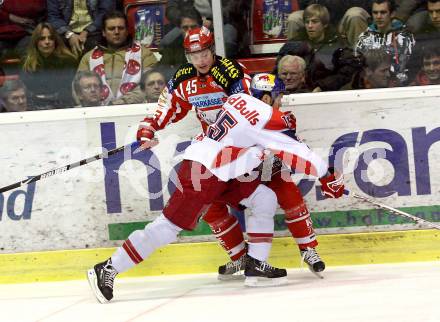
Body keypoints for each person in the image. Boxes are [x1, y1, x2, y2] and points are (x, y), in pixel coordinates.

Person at [87, 92, 345, 303]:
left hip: (221, 171)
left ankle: (256, 264)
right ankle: (108, 268)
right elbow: (300, 153)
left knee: (264, 197)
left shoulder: (241, 99)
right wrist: (327, 177)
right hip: (206, 173)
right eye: (278, 99)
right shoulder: (268, 123)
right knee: (167, 228)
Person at [136, 26, 253, 268]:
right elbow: (167, 108)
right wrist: (149, 128)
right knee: (207, 204)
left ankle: (265, 256)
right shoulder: (183, 77)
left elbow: (249, 109)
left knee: (262, 199)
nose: (200, 60)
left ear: (212, 50)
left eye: (204, 54)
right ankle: (241, 257)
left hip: (243, 147)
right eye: (193, 55)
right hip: (213, 151)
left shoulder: (231, 72)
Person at [76, 11, 158, 106]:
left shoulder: (144, 54)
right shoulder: (88, 58)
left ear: (127, 31)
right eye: (111, 29)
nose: (116, 32)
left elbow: (151, 86)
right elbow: (78, 89)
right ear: (103, 32)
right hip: (96, 112)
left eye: (121, 28)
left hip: (135, 110)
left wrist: (120, 103)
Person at [355, 0, 416, 85]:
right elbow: (361, 68)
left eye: (383, 12)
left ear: (392, 14)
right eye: (375, 13)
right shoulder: (364, 38)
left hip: (402, 86)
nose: (378, 16)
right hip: (373, 87)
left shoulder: (405, 36)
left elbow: (413, 64)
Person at [21, 22, 78, 110]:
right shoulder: (26, 63)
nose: (47, 42)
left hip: (62, 106)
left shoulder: (69, 61)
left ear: (55, 40)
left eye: (50, 38)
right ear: (36, 41)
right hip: (34, 107)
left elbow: (68, 91)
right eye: (42, 38)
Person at [286, 1, 371, 47]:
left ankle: (362, 62)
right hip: (318, 14)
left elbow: (367, 5)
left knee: (355, 14)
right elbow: (303, 3)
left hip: (345, 19)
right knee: (295, 19)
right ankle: (291, 63)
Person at [47, 0, 115, 58]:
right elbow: (53, 16)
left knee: (94, 52)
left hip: (95, 30)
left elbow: (106, 13)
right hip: (65, 30)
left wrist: (87, 31)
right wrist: (70, 34)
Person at [158, 6, 203, 79]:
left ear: (201, 27)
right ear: (180, 29)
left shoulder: (212, 42)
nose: (189, 31)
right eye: (185, 28)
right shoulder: (172, 46)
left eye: (194, 27)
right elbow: (162, 72)